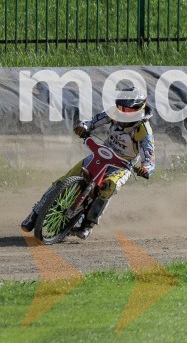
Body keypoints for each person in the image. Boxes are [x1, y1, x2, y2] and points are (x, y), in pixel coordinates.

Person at [21, 87, 156, 239]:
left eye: (127, 110)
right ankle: (36, 212)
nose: (122, 112)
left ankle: (87, 224)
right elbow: (93, 121)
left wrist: (146, 168)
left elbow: (149, 158)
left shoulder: (144, 131)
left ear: (139, 110)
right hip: (102, 153)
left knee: (109, 186)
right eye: (120, 107)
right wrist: (83, 126)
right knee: (64, 180)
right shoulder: (114, 112)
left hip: (122, 165)